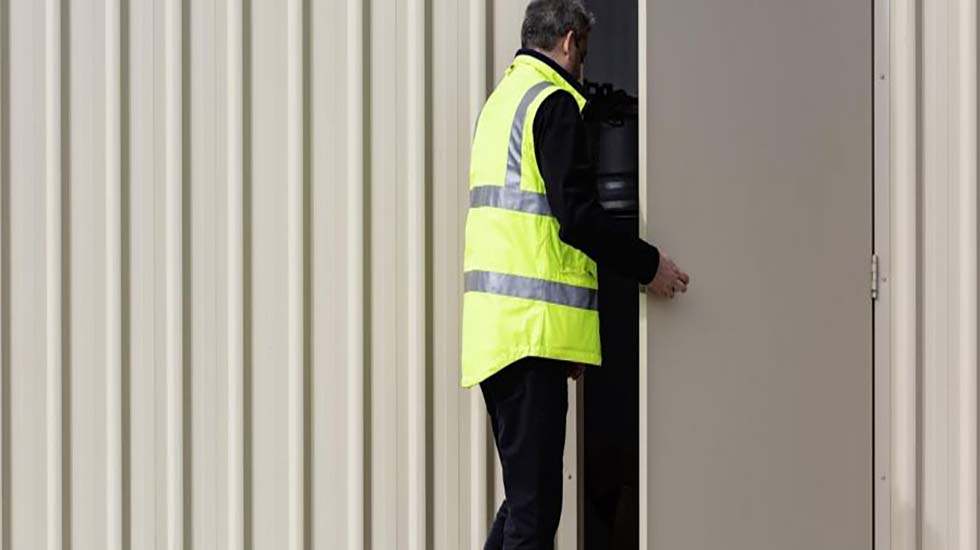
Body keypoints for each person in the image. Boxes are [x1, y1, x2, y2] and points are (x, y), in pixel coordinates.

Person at [460, 1, 690, 548]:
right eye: (583, 52)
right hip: (526, 338)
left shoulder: (502, 103)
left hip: (506, 337)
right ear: (568, 42)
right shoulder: (554, 102)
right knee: (534, 518)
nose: (583, 66)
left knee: (524, 507)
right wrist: (648, 265)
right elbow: (578, 219)